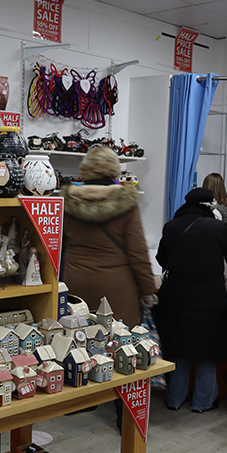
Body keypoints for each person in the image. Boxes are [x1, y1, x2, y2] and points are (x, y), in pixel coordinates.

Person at [60, 146, 158, 426]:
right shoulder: (126, 204)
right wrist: (149, 288)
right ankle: (123, 414)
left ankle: (78, 401)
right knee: (122, 348)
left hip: (76, 284)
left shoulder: (68, 202)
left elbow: (61, 246)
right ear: (114, 170)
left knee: (78, 342)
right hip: (117, 290)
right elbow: (137, 253)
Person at [154, 188, 227, 412]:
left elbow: (161, 258)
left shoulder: (171, 226)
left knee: (179, 349)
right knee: (208, 351)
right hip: (209, 298)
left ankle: (174, 399)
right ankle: (202, 402)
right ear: (210, 206)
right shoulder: (217, 228)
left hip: (176, 296)